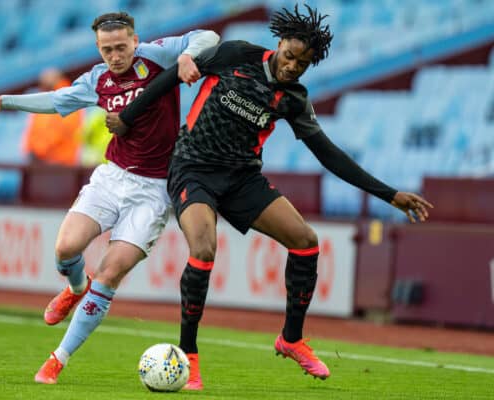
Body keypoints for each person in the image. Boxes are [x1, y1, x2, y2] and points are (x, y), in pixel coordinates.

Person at [109, 5, 434, 390]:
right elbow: (169, 79)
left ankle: (291, 339)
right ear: (279, 44)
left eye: (302, 63)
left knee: (306, 242)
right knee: (204, 248)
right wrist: (129, 115)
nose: (293, 66)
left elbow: (328, 154)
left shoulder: (293, 99)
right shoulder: (235, 55)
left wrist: (390, 194)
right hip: (193, 168)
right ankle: (188, 355)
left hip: (242, 177)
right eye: (290, 55)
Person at [0, 11, 219, 384]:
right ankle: (75, 287)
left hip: (153, 191)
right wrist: (3, 102)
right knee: (64, 249)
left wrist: (187, 56)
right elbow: (57, 102)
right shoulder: (97, 80)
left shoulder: (157, 55)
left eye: (121, 47)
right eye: (107, 50)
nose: (115, 56)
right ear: (98, 49)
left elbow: (210, 36)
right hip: (111, 178)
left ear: (135, 41)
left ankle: (57, 359)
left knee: (109, 272)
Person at [21, 68, 83, 166]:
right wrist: (30, 149)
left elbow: (63, 130)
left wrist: (38, 149)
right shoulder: (47, 97)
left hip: (59, 162)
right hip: (43, 161)